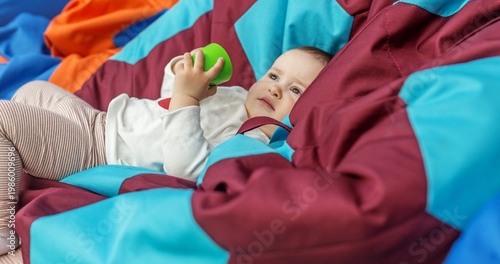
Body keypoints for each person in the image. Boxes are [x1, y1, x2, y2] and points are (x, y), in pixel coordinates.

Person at [0, 45, 331, 254]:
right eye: (274, 74)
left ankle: (2, 230)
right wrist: (183, 74)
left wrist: (188, 99)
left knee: (3, 120)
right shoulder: (234, 95)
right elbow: (167, 94)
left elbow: (186, 168)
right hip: (99, 121)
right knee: (32, 89)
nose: (274, 88)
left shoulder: (250, 141)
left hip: (97, 150)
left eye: (295, 90)